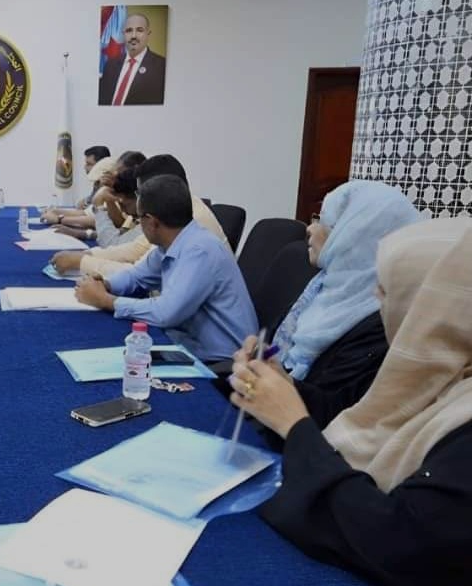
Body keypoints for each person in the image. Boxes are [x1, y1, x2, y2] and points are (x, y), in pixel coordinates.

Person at [229, 218, 472, 586]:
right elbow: (352, 409)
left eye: (387, 290)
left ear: (438, 310)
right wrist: (282, 388)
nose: (375, 299)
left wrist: (294, 425)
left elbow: (405, 543)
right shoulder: (445, 364)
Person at [232, 181, 420, 431]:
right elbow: (278, 347)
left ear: (353, 236)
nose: (310, 228)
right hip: (266, 417)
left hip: (305, 438)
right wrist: (261, 354)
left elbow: (337, 413)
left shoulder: (381, 320)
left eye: (324, 221)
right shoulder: (321, 286)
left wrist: (282, 382)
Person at [74, 174, 256, 362]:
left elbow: (166, 313)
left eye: (138, 218)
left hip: (221, 362)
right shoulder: (171, 243)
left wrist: (106, 300)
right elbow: (137, 276)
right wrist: (106, 284)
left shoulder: (200, 250)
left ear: (152, 222)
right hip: (187, 342)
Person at [51, 154, 230, 278]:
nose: (139, 201)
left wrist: (82, 262)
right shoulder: (176, 208)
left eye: (140, 193)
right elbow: (136, 250)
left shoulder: (187, 221)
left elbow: (142, 276)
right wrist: (87, 254)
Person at [98, 13, 167, 106]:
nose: (133, 36)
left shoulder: (162, 67)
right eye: (129, 30)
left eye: (139, 30)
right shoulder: (110, 64)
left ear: (148, 34)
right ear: (123, 34)